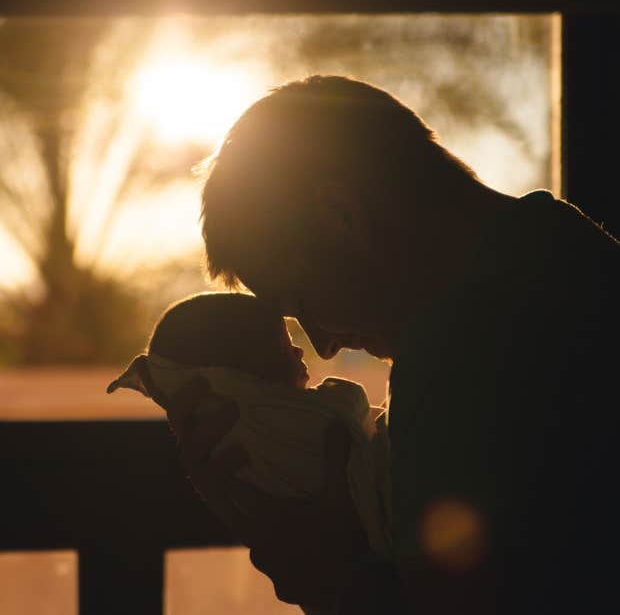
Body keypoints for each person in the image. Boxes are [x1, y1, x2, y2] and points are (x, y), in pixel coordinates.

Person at [163, 76, 619, 614]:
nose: (323, 347)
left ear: (341, 216)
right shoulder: (571, 256)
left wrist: (312, 561)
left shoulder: (461, 353)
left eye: (301, 300)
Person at [106, 292, 392, 599]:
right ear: (239, 376)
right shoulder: (281, 422)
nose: (305, 349)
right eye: (283, 345)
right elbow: (351, 410)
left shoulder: (227, 449)